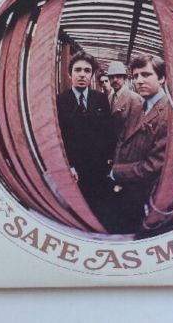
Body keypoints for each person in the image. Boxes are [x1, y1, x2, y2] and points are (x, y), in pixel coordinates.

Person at [109, 54, 169, 234]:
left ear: (161, 78)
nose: (139, 81)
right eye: (135, 76)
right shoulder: (141, 106)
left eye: (146, 74)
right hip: (129, 189)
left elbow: (154, 166)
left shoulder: (167, 114)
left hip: (146, 194)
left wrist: (117, 172)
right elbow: (123, 138)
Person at [56, 51, 115, 223]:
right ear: (70, 74)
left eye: (87, 71)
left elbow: (108, 130)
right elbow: (59, 136)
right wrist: (69, 165)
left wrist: (109, 159)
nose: (82, 74)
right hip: (74, 168)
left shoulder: (100, 99)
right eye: (78, 70)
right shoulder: (60, 101)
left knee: (100, 207)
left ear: (92, 75)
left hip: (98, 167)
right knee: (77, 210)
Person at [107, 60, 143, 138]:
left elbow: (136, 128)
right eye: (112, 77)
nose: (115, 79)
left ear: (124, 78)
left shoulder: (134, 99)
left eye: (118, 76)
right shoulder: (110, 98)